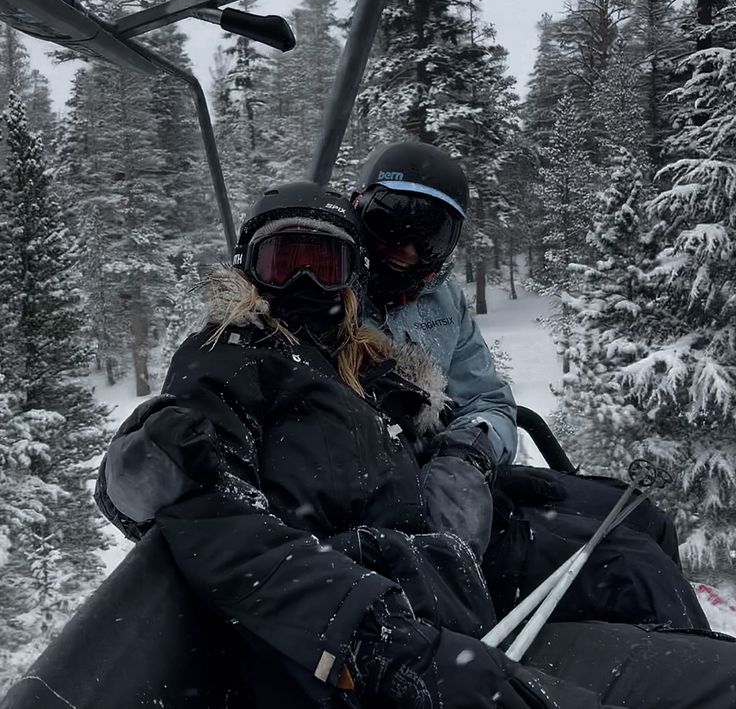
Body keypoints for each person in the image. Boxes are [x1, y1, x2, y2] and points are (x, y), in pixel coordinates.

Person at [96, 181, 736, 709]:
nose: (305, 287)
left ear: (352, 278)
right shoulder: (232, 360)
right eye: (283, 262)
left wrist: (472, 458)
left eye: (326, 267)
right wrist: (376, 636)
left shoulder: (353, 362)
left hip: (448, 580)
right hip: (397, 627)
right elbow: (223, 519)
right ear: (248, 271)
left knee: (631, 561)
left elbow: (432, 429)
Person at [350, 141, 706, 627]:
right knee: (633, 572)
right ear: (359, 211)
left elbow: (490, 400)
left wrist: (470, 451)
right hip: (401, 513)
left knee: (641, 517)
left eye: (430, 235)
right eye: (392, 224)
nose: (408, 250)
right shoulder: (327, 291)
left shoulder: (440, 300)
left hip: (467, 485)